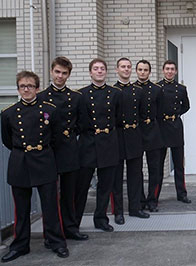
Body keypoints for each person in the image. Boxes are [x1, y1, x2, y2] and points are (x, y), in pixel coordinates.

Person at [1, 71, 69, 262]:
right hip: (20, 163)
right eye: (23, 86)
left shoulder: (50, 110)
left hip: (44, 161)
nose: (26, 89)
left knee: (50, 207)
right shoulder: (8, 114)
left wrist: (42, 151)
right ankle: (20, 245)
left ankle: (56, 242)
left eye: (30, 86)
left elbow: (56, 137)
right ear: (18, 89)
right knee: (21, 210)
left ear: (37, 88)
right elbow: (8, 140)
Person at [38, 57, 89, 242]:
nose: (60, 76)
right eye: (57, 72)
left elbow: (82, 123)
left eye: (64, 73)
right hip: (48, 152)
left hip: (68, 150)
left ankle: (71, 228)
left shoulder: (76, 97)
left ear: (69, 75)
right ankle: (51, 232)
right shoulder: (41, 97)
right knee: (50, 196)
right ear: (52, 71)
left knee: (69, 193)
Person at [75, 58, 122, 232]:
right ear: (90, 72)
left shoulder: (115, 93)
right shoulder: (81, 94)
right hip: (88, 143)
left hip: (108, 143)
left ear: (106, 72)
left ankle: (101, 219)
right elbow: (79, 120)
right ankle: (75, 222)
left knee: (105, 186)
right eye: (96, 68)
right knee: (82, 186)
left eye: (102, 68)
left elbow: (118, 118)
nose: (99, 71)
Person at [111, 57, 150, 225]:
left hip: (134, 135)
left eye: (128, 67)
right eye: (122, 67)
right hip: (118, 136)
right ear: (117, 69)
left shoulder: (138, 91)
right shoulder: (111, 91)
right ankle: (118, 211)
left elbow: (142, 115)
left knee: (135, 174)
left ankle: (135, 208)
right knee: (117, 176)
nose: (126, 69)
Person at [157, 60, 191, 203]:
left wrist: (175, 114)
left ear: (176, 72)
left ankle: (182, 194)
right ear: (163, 71)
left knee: (178, 164)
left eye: (172, 69)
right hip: (161, 127)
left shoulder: (181, 88)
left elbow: (186, 106)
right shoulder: (157, 87)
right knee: (158, 165)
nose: (170, 71)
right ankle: (154, 196)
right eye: (167, 69)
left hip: (176, 126)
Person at [135, 60, 164, 212]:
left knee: (155, 169)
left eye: (145, 70)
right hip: (137, 133)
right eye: (140, 69)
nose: (142, 72)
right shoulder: (131, 89)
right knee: (137, 170)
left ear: (149, 72)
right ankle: (140, 200)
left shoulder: (157, 89)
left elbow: (160, 111)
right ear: (136, 71)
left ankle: (153, 200)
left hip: (153, 132)